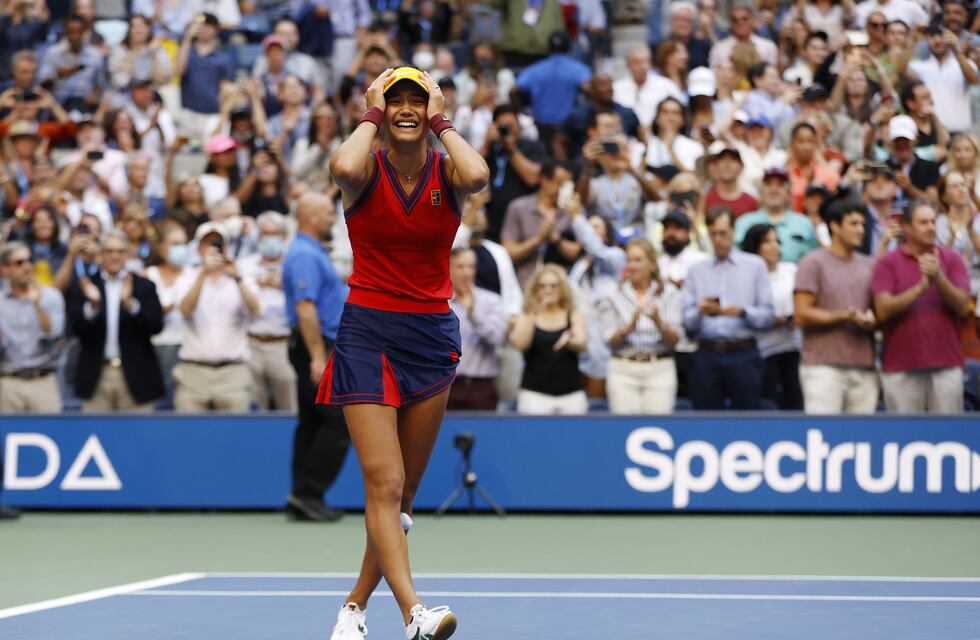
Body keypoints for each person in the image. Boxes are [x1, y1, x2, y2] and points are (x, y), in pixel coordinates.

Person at [323, 67, 488, 640]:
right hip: (368, 333)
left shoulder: (449, 171)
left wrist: (442, 118)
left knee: (403, 495)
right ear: (380, 108)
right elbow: (341, 165)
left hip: (430, 338)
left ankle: (352, 608)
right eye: (397, 100)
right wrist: (370, 113)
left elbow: (480, 173)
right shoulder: (363, 169)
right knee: (384, 483)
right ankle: (415, 613)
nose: (407, 108)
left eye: (418, 99)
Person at [282, 193, 350, 522]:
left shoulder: (310, 251)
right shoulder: (304, 254)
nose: (333, 218)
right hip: (319, 345)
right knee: (337, 421)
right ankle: (310, 492)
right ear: (309, 217)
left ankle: (303, 494)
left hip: (318, 344)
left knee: (312, 422)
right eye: (327, 212)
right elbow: (306, 309)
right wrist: (317, 357)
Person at [872, 201, 972, 413]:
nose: (931, 227)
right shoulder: (887, 262)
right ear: (906, 227)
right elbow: (882, 310)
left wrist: (939, 278)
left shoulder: (951, 259)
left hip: (946, 366)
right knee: (902, 440)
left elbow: (963, 306)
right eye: (923, 222)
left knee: (947, 439)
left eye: (933, 222)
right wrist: (920, 289)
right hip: (901, 368)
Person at [682, 207, 775, 410]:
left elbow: (768, 315)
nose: (718, 240)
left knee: (748, 420)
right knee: (704, 423)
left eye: (723, 233)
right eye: (713, 234)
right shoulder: (696, 271)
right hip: (706, 353)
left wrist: (743, 312)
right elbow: (687, 324)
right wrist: (701, 311)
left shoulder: (755, 266)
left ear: (733, 231)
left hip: (743, 351)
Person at [794, 201, 879, 414]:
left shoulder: (869, 265)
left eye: (862, 224)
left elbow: (878, 310)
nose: (861, 230)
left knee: (862, 444)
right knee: (822, 439)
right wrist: (844, 316)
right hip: (823, 368)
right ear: (835, 226)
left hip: (864, 368)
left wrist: (871, 319)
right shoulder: (812, 262)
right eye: (853, 223)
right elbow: (801, 314)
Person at [66, 230, 165, 412]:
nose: (114, 256)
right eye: (109, 251)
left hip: (137, 374)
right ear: (100, 254)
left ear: (128, 254)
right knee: (95, 435)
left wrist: (131, 305)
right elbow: (74, 328)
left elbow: (156, 326)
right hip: (96, 375)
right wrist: (93, 306)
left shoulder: (144, 286)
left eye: (120, 251)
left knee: (138, 436)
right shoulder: (87, 285)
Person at [173, 222, 260, 412]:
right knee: (187, 435)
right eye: (208, 243)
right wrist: (203, 273)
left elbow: (255, 310)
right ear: (198, 249)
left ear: (226, 248)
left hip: (232, 373)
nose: (213, 248)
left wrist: (237, 278)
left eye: (218, 243)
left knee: (235, 436)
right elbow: (186, 309)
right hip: (193, 373)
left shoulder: (240, 277)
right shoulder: (187, 277)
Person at [598, 238, 682, 414]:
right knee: (623, 430)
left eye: (638, 260)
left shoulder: (670, 293)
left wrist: (659, 322)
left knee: (659, 427)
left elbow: (674, 341)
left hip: (659, 367)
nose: (632, 266)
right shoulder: (612, 294)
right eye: (629, 260)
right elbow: (609, 341)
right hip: (623, 368)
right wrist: (628, 327)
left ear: (651, 264)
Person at [740, 223, 803, 410]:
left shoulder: (791, 270)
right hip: (764, 352)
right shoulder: (747, 277)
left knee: (796, 404)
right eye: (767, 241)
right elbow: (743, 310)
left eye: (777, 241)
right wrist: (770, 320)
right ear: (754, 246)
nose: (774, 246)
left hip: (793, 348)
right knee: (769, 406)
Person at [510, 264, 588, 414]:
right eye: (542, 286)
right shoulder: (527, 315)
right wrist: (535, 310)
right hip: (534, 395)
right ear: (535, 289)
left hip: (571, 394)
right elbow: (520, 344)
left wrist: (570, 339)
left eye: (553, 286)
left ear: (562, 288)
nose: (548, 290)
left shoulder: (572, 314)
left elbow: (582, 343)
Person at [238, 211, 297, 411]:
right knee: (254, 407)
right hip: (251, 342)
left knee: (290, 405)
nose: (270, 238)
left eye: (275, 233)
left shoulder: (293, 264)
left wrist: (284, 286)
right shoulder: (245, 265)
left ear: (284, 236)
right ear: (258, 237)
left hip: (282, 344)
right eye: (265, 233)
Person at [0, 241, 65, 412]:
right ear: (4, 270)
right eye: (19, 263)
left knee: (53, 433)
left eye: (29, 261)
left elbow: (53, 338)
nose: (27, 266)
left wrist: (37, 306)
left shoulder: (51, 297)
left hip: (43, 380)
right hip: (8, 381)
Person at [500, 160, 581, 287]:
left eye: (568, 185)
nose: (564, 190)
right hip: (524, 285)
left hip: (562, 286)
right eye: (560, 184)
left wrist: (556, 239)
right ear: (544, 180)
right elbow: (508, 253)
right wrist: (538, 239)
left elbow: (576, 252)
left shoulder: (573, 211)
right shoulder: (519, 207)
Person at [446, 247, 508, 410]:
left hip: (482, 386)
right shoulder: (440, 303)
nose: (467, 273)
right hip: (446, 384)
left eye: (471, 267)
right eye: (460, 267)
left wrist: (474, 314)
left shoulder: (491, 300)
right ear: (449, 268)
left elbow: (498, 339)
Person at [145, 223, 188, 410]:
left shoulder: (194, 275)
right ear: (161, 248)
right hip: (155, 349)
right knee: (156, 405)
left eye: (184, 244)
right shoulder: (148, 275)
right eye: (175, 244)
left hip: (187, 348)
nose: (181, 249)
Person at [908, 19, 978, 135]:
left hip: (961, 134)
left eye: (941, 34)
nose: (937, 40)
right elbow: (900, 72)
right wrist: (912, 42)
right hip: (932, 134)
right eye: (931, 36)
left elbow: (974, 81)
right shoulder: (919, 66)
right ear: (926, 39)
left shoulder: (965, 63)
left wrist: (956, 49)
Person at [735, 168, 818, 263]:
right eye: (769, 184)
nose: (774, 189)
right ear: (761, 192)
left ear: (788, 193)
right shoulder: (744, 222)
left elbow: (813, 259)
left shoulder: (804, 223)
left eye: (780, 185)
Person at [703, 146, 758, 218]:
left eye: (732, 160)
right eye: (722, 160)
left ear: (741, 167)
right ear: (716, 166)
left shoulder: (752, 202)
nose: (727, 164)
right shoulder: (705, 199)